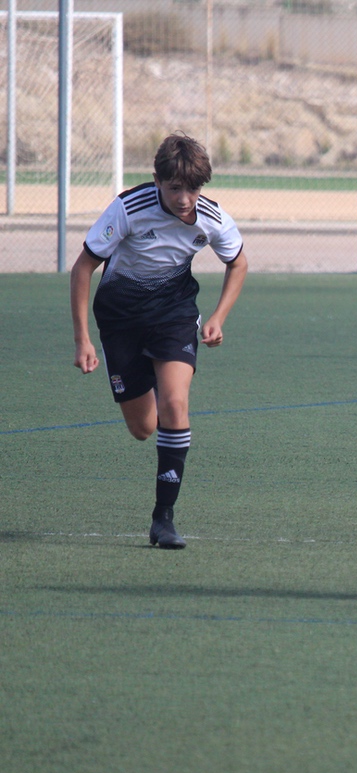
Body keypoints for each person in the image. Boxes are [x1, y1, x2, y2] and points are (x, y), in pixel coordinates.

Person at [70, 133, 248, 549]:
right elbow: (82, 269)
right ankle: (146, 375)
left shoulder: (212, 218)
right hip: (121, 320)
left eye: (193, 188)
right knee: (144, 428)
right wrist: (83, 340)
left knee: (174, 403)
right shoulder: (129, 209)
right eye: (174, 189)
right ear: (157, 181)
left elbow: (238, 262)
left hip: (174, 314)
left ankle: (163, 517)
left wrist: (218, 317)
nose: (185, 198)